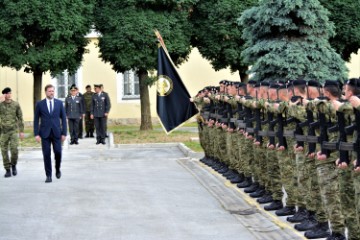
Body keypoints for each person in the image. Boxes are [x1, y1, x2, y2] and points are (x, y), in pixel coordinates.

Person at [34, 84, 67, 183]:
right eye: (49, 91)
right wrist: (36, 134)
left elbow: (63, 119)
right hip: (44, 133)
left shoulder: (59, 103)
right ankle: (48, 175)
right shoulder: (40, 104)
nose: (51, 93)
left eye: (53, 91)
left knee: (58, 152)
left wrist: (64, 133)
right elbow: (36, 120)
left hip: (57, 132)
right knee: (46, 154)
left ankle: (57, 169)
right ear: (46, 92)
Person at [0, 87, 24, 178]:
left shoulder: (16, 104)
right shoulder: (1, 105)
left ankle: (13, 165)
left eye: (10, 93)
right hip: (3, 132)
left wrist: (21, 131)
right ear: (4, 95)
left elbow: (20, 118)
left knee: (14, 150)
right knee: (4, 151)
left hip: (13, 131)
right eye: (7, 93)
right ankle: (7, 169)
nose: (9, 95)